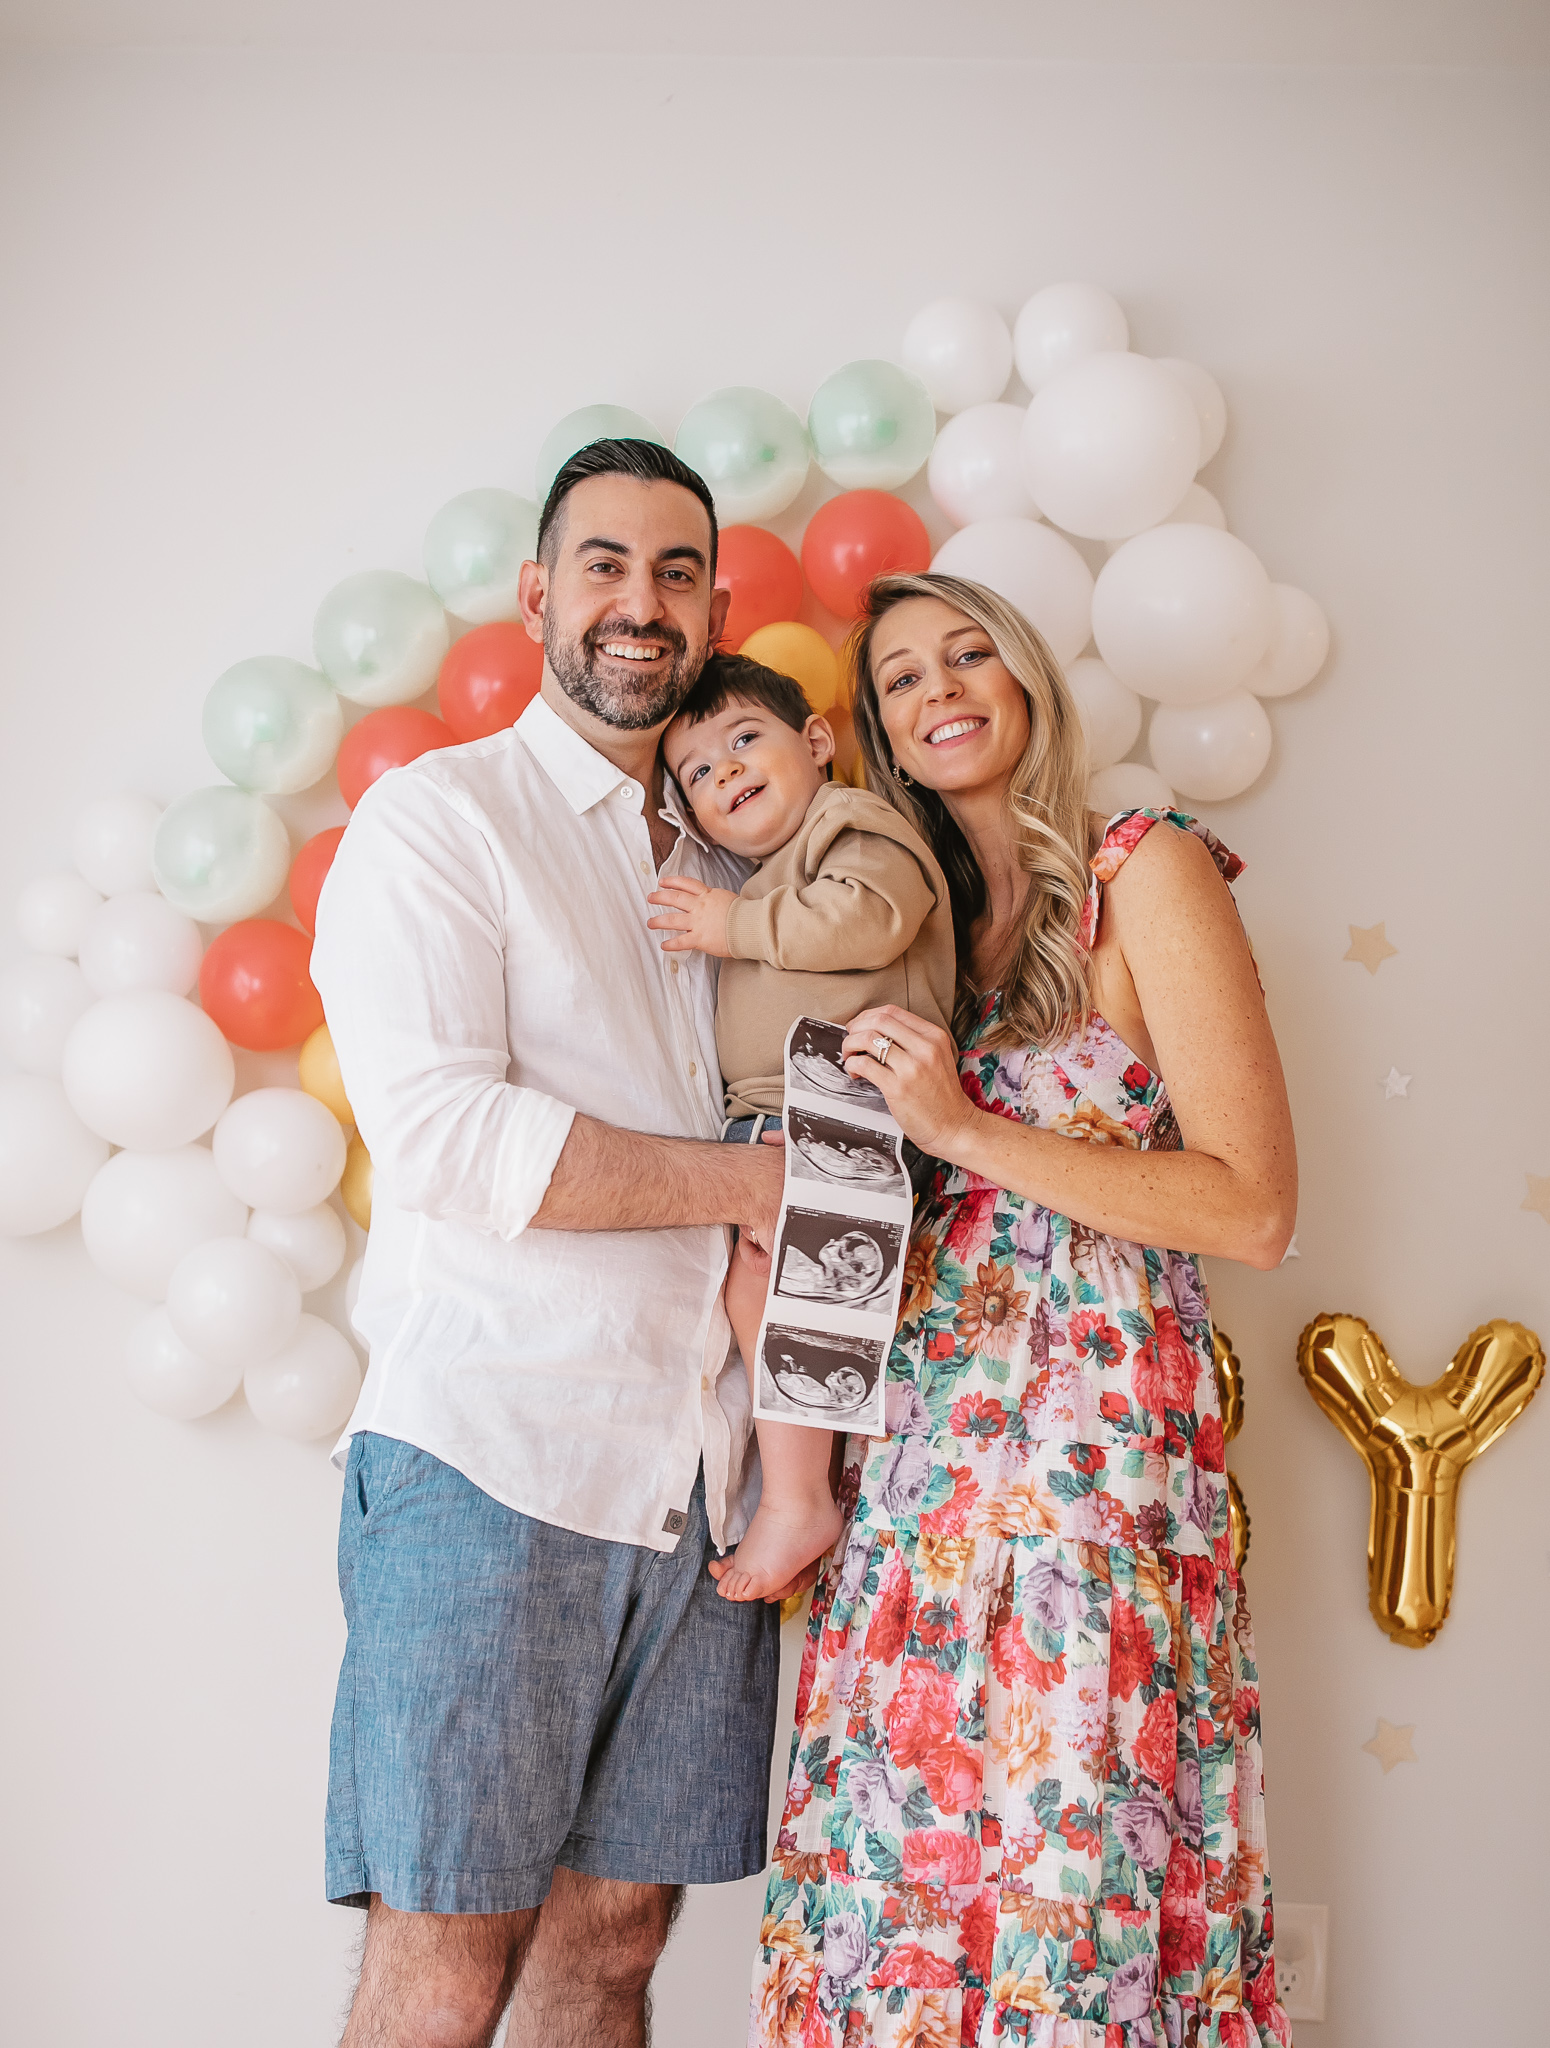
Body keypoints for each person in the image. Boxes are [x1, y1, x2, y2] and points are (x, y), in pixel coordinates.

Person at [750, 572, 1297, 2047]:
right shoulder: (908, 936)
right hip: (916, 1482)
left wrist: (968, 1129)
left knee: (1077, 1882)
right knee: (898, 1896)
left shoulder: (1144, 871)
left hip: (1088, 1474)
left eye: (969, 654)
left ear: (1030, 680)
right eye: (904, 677)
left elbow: (1251, 1206)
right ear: (873, 728)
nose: (941, 690)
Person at [311, 439, 797, 2048]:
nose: (640, 604)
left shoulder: (742, 856)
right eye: (604, 565)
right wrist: (743, 1188)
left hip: (698, 1482)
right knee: (445, 1970)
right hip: (491, 1459)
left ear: (715, 604)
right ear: (539, 594)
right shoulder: (443, 823)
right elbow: (445, 1135)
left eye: (675, 573)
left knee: (607, 1960)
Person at [647, 652, 955, 1603]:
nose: (727, 770)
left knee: (795, 1295)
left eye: (746, 740)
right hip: (790, 1116)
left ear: (817, 742)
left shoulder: (851, 824)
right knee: (761, 1288)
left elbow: (869, 920)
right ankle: (797, 1488)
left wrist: (733, 925)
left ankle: (796, 1499)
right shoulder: (773, 873)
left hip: (854, 1101)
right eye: (698, 771)